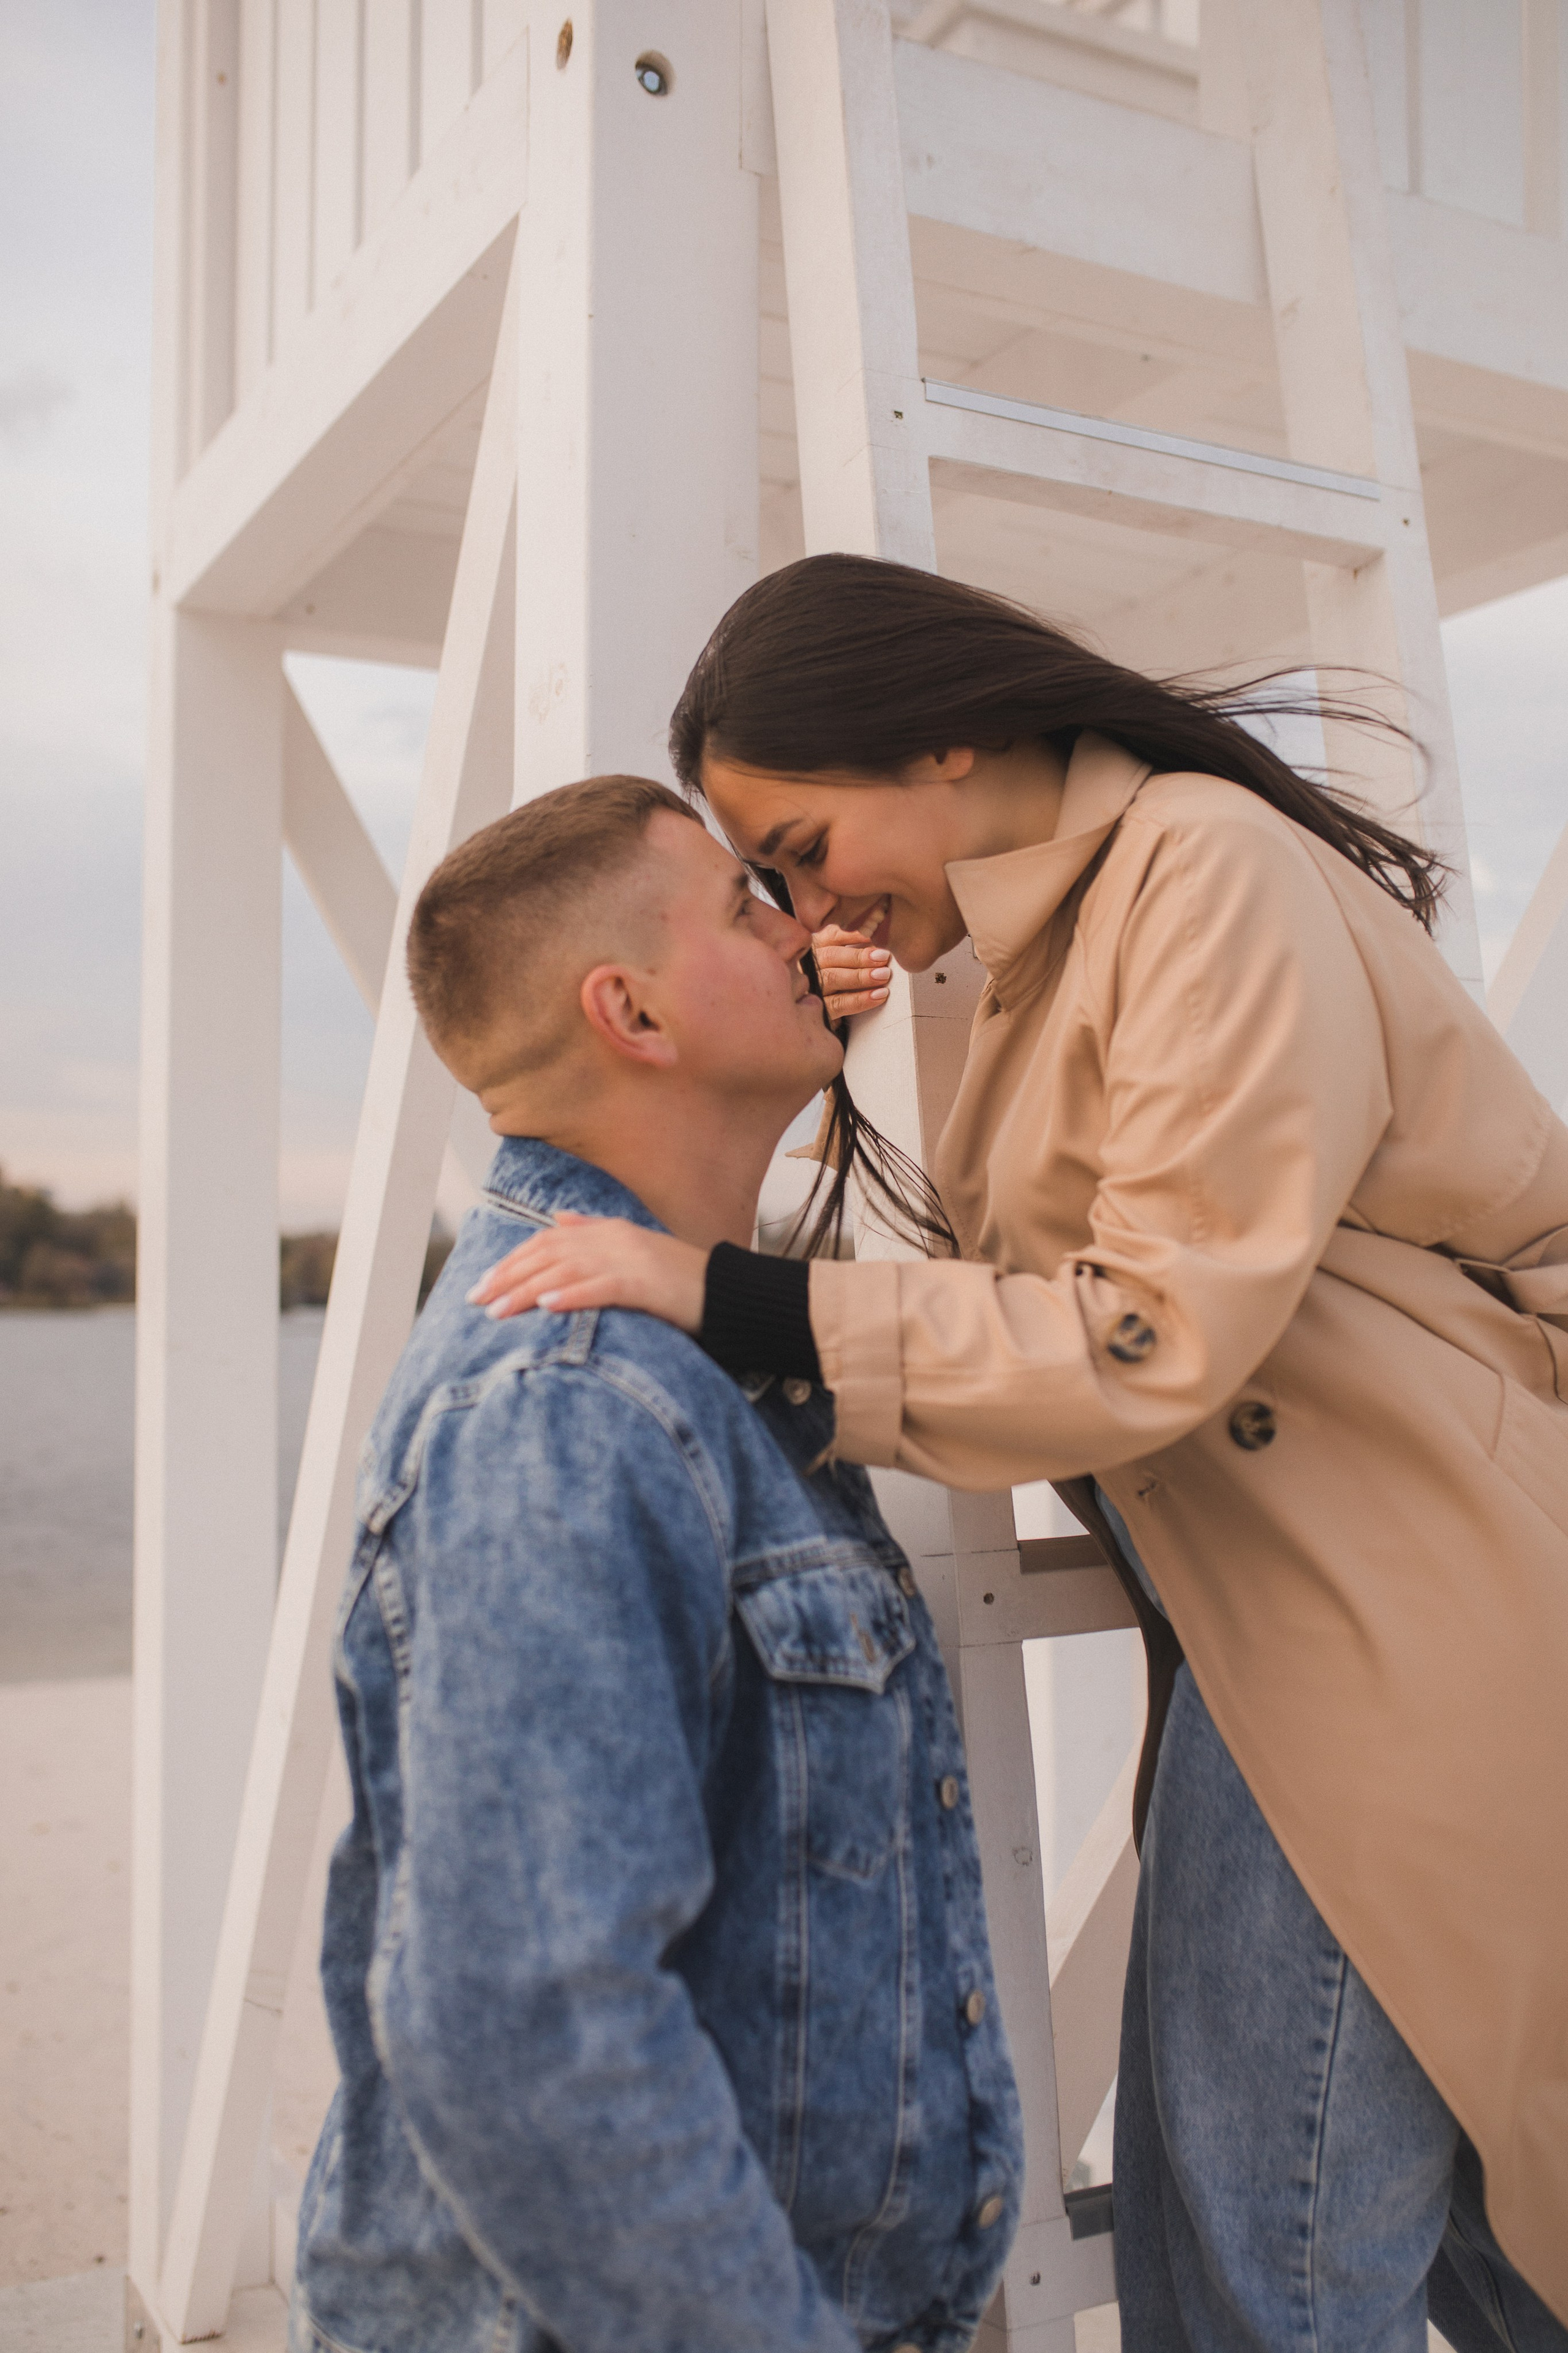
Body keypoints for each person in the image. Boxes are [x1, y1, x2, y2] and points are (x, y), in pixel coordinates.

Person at [470, 557, 1568, 2352]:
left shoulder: (1202, 869)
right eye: (768, 887)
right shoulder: (1041, 938)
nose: (806, 903)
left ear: (940, 742)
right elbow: (1036, 1272)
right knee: (1441, 2233)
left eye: (803, 849)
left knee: (1270, 2256)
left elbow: (1146, 1328)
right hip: (1303, 1611)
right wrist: (835, 1023)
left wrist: (728, 1300)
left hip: (1403, 1598)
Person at [288, 772, 1023, 2353]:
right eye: (749, 905)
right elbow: (529, 2026)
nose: (806, 924)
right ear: (629, 1011)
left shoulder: (689, 1331)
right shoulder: (564, 1403)